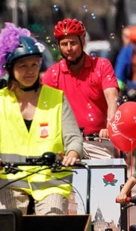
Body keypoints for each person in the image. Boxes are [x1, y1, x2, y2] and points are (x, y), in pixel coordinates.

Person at [0, 25, 85, 214]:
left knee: (52, 226)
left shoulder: (56, 97)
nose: (29, 71)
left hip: (50, 181)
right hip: (8, 181)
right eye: (22, 66)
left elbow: (73, 137)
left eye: (34, 65)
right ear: (10, 69)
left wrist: (73, 153)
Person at [42, 18, 120, 158]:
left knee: (109, 177)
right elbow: (45, 110)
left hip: (98, 141)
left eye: (73, 43)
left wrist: (110, 124)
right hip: (65, 142)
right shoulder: (52, 73)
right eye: (64, 44)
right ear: (59, 46)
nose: (69, 48)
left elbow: (111, 98)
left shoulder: (102, 65)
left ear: (83, 42)